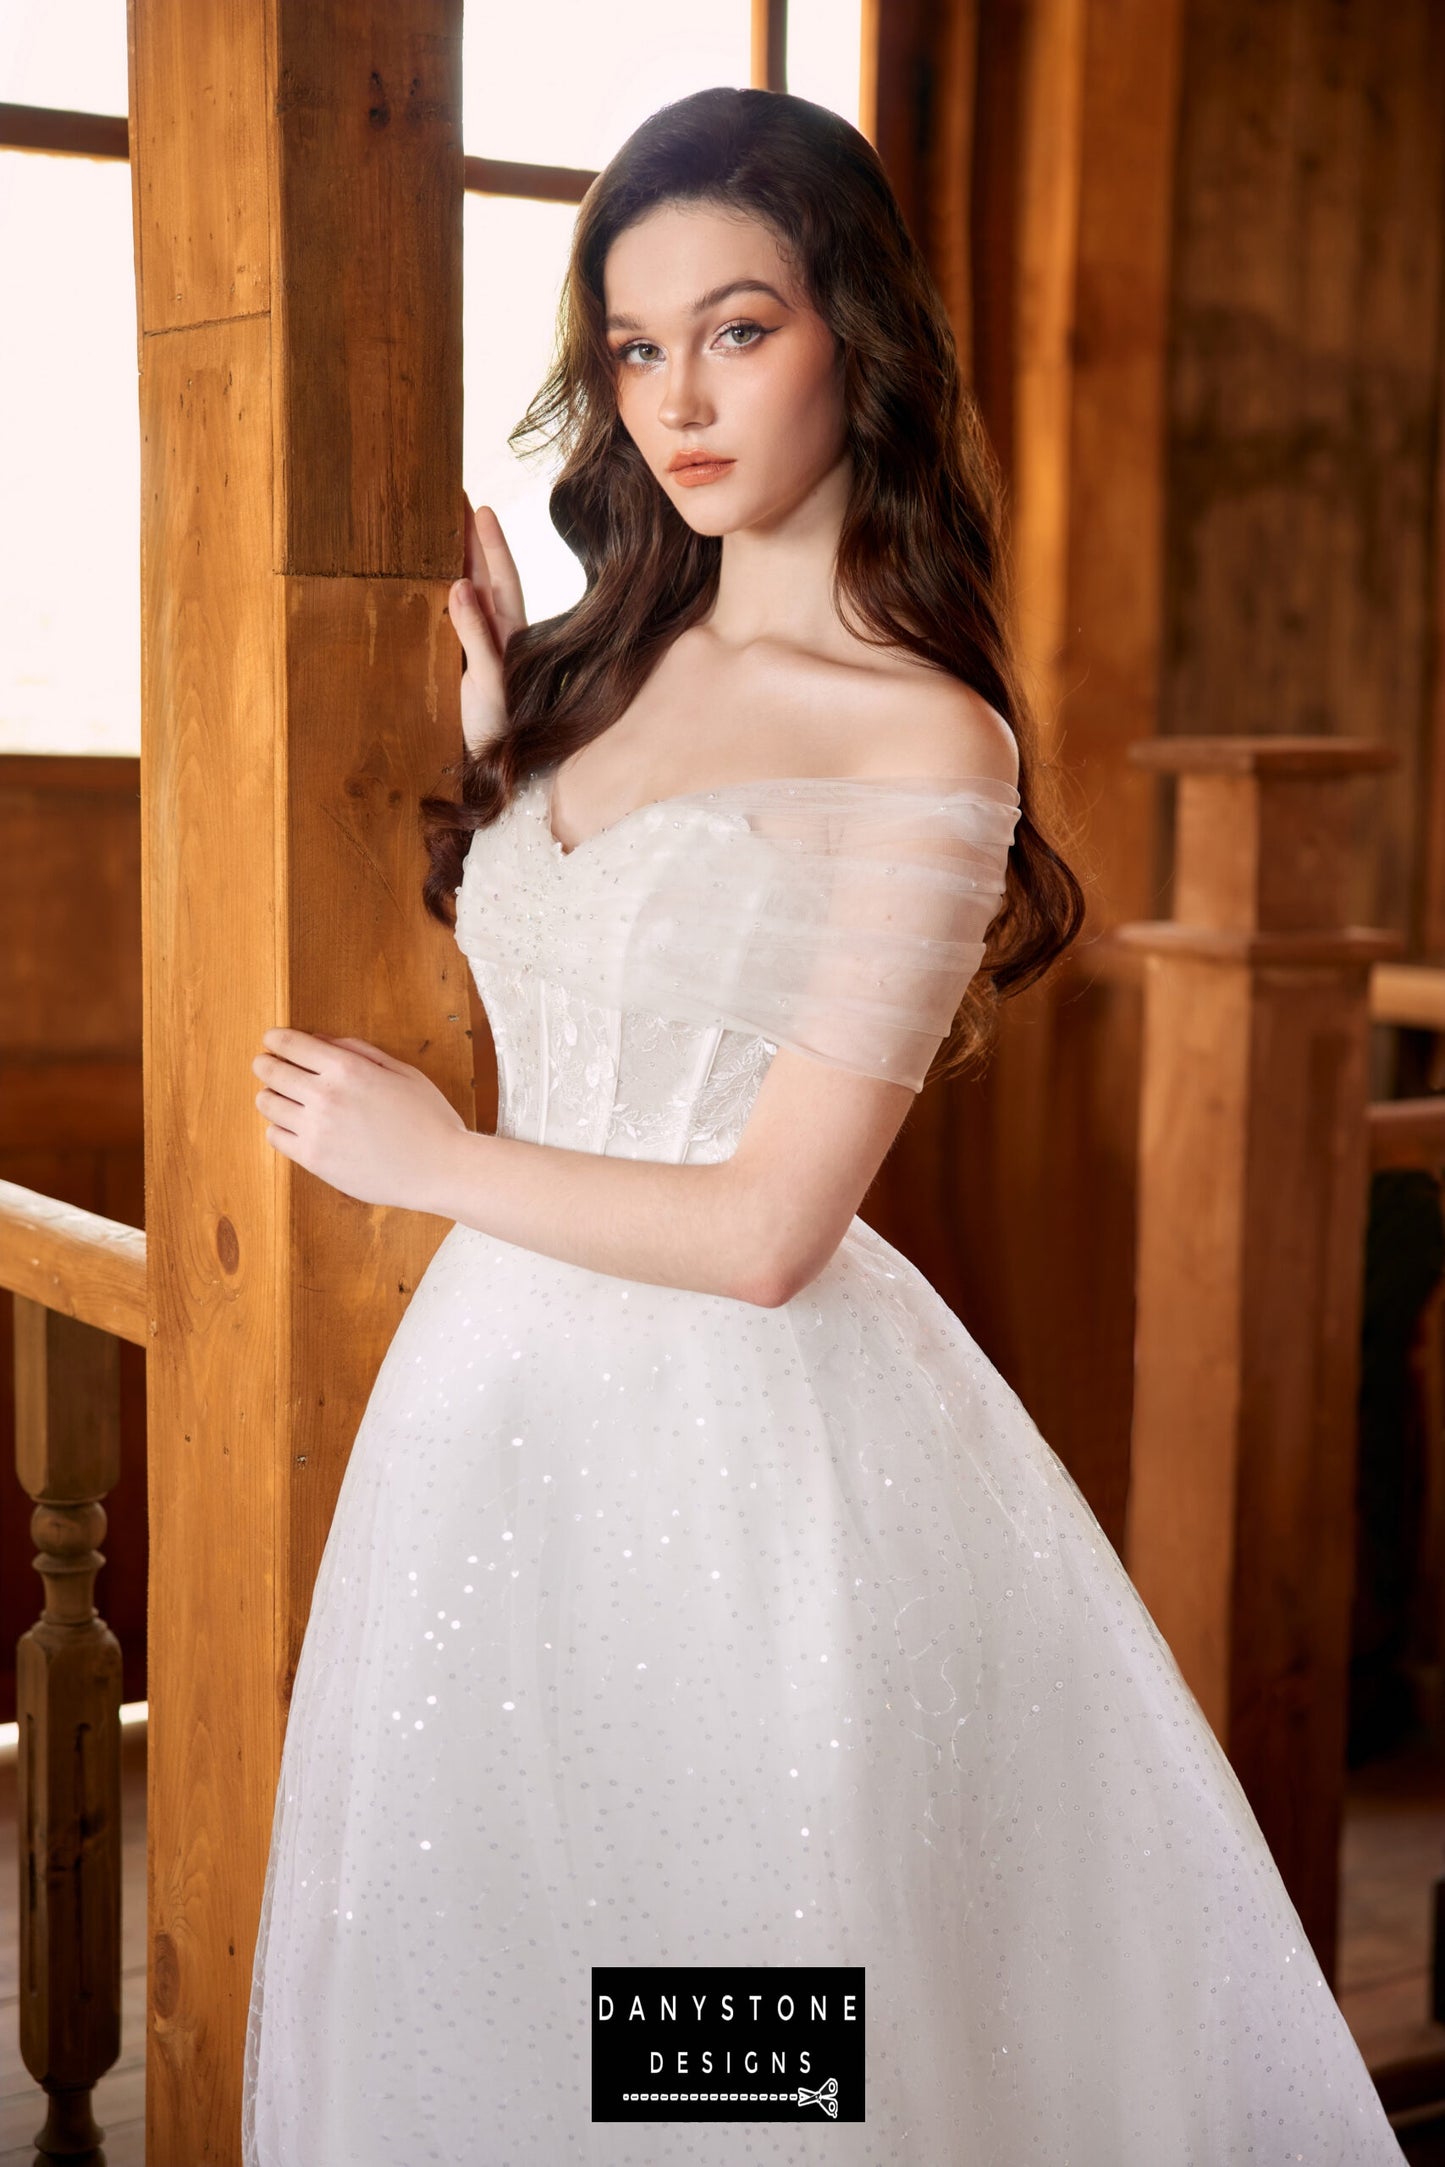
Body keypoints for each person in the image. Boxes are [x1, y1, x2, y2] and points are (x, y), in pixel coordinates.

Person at [241, 86, 1406, 2165]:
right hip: (487, 1424)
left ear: (856, 335)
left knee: (721, 2051)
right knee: (499, 1991)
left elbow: (774, 1224)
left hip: (742, 1464)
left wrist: (430, 1166)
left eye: (740, 327)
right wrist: (511, 748)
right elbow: (605, 963)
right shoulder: (611, 661)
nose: (679, 396)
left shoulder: (925, 735)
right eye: (635, 345)